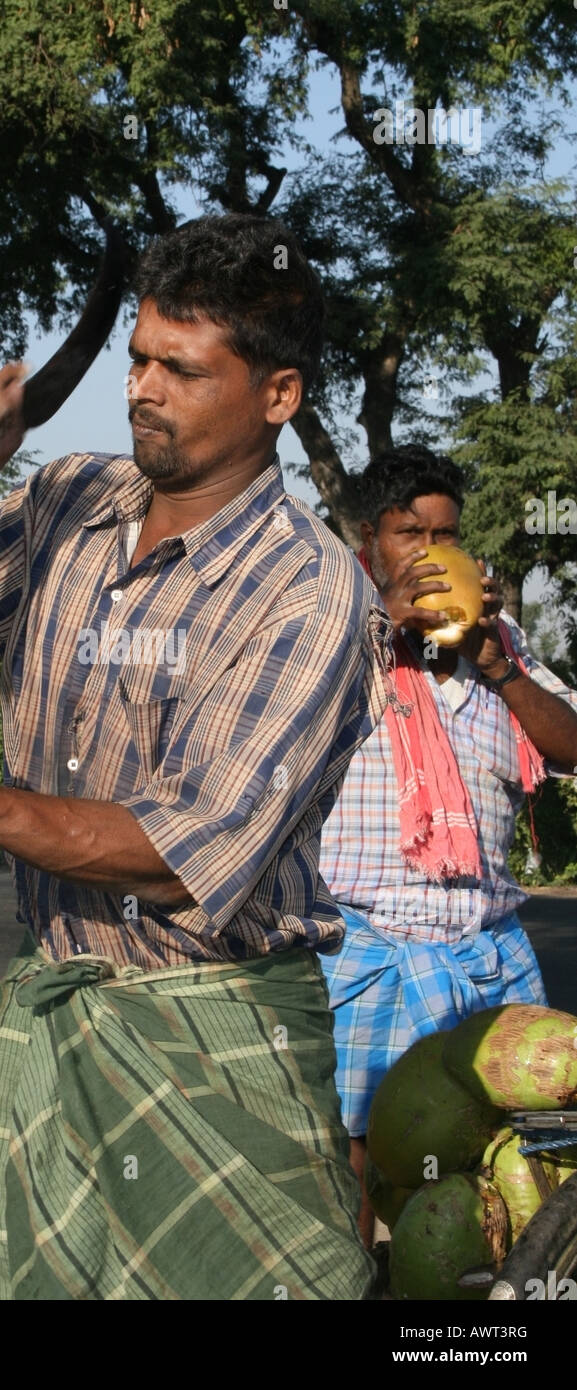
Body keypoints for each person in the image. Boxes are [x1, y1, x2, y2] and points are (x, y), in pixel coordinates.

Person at [0, 214, 392, 1300]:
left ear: (278, 396)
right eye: (137, 358)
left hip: (215, 1037)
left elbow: (177, 853)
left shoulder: (313, 592)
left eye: (181, 370)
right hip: (56, 1011)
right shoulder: (72, 501)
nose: (142, 387)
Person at [318, 445, 577, 1244]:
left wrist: (497, 665)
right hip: (368, 947)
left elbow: (569, 746)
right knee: (357, 1150)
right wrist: (381, 620)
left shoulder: (497, 644)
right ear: (367, 540)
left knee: (497, 1144)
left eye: (446, 535)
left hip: (485, 947)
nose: (432, 554)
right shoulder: (330, 633)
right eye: (409, 534)